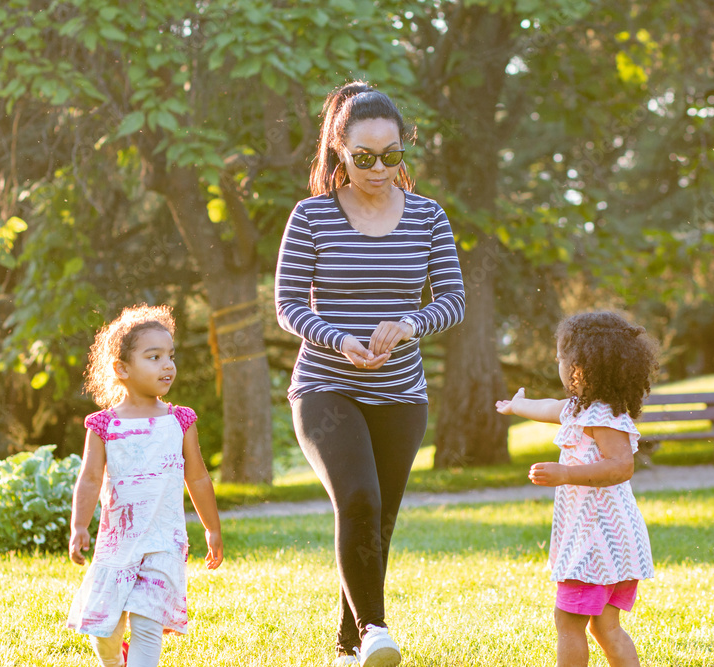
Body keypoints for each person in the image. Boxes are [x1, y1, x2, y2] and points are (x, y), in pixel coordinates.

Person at [275, 81, 465, 667]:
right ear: (338, 151)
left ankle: (347, 646)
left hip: (401, 392)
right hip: (326, 388)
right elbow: (288, 306)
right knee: (356, 497)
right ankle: (377, 631)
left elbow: (453, 301)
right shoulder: (311, 217)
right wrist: (342, 340)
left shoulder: (429, 217)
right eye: (364, 158)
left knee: (376, 521)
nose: (379, 168)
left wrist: (409, 323)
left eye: (391, 155)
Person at [495, 311, 658, 667]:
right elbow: (551, 407)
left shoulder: (603, 417)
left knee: (568, 624)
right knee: (605, 628)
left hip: (596, 544)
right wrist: (518, 406)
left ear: (582, 367)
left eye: (560, 358)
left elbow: (622, 467)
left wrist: (567, 473)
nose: (557, 363)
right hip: (609, 542)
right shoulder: (582, 409)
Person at [67, 304, 224, 667]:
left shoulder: (179, 421)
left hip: (163, 543)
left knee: (148, 626)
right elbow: (90, 479)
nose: (167, 365)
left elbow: (198, 476)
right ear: (122, 369)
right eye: (154, 357)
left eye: (170, 356)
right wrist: (79, 526)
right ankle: (115, 659)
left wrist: (212, 527)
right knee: (104, 631)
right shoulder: (103, 425)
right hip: (117, 544)